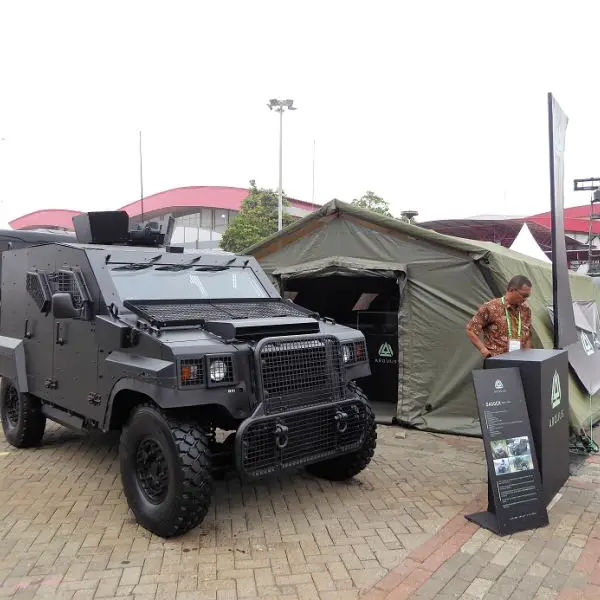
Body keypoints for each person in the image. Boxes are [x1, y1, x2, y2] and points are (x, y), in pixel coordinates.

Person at [466, 275, 533, 358]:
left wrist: (527, 357)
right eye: (523, 295)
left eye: (528, 296)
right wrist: (483, 350)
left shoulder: (525, 310)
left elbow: (528, 335)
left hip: (520, 359)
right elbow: (471, 330)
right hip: (498, 360)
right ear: (511, 290)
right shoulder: (491, 307)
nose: (525, 299)